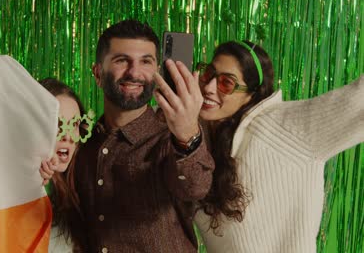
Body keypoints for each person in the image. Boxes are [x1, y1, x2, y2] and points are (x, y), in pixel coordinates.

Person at [194, 40, 364, 252]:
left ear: (251, 94)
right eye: (208, 74)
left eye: (226, 83)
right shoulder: (192, 139)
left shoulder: (287, 125)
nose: (209, 88)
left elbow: (359, 100)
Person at [73, 19, 215, 252]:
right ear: (98, 73)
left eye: (146, 62)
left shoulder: (172, 139)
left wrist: (188, 134)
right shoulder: (83, 142)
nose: (134, 72)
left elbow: (195, 187)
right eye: (121, 60)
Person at [38, 78, 91, 253]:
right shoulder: (14, 186)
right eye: (58, 125)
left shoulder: (82, 187)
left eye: (74, 124)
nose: (67, 137)